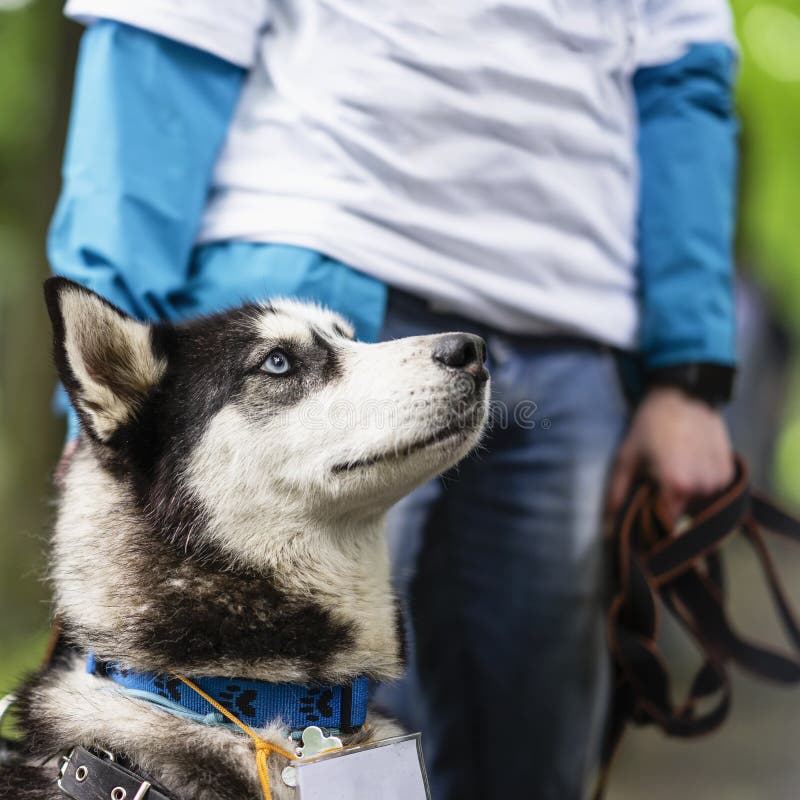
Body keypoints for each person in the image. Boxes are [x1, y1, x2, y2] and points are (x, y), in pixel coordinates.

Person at [50, 2, 739, 797]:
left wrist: (688, 376)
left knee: (535, 766)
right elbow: (171, 30)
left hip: (574, 325)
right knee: (269, 733)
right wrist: (119, 422)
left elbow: (682, 72)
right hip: (321, 255)